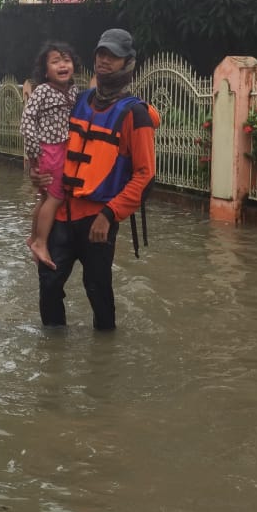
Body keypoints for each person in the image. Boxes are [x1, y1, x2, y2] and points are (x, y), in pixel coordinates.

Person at [32, 29, 157, 331]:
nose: (104, 60)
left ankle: (104, 354)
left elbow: (145, 175)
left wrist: (108, 215)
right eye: (101, 53)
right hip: (63, 214)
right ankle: (53, 357)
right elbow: (55, 147)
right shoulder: (79, 100)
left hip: (97, 220)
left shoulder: (135, 115)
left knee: (97, 289)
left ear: (128, 63)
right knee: (49, 284)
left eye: (112, 56)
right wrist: (38, 174)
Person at [19, 42, 79, 269]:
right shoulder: (42, 91)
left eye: (66, 60)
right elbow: (26, 123)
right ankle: (41, 243)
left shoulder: (74, 90)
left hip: (64, 149)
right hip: (49, 150)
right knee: (55, 198)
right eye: (55, 62)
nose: (62, 65)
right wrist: (35, 155)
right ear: (45, 71)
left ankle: (33, 237)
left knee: (44, 198)